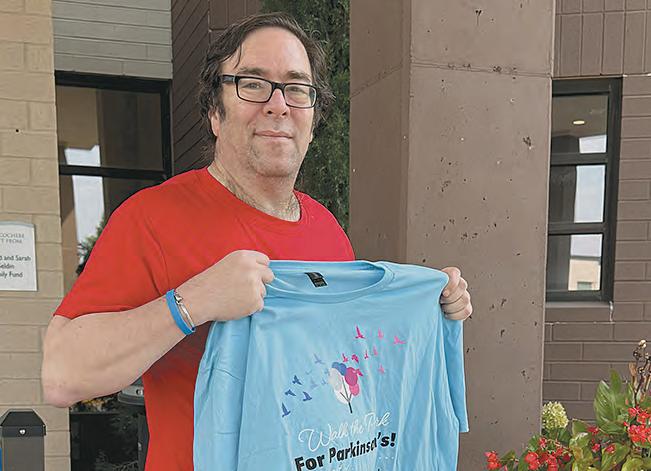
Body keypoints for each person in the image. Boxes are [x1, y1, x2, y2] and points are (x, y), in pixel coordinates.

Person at [41, 12, 473, 470]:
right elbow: (61, 377)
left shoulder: (327, 230)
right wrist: (191, 303)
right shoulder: (152, 219)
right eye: (253, 84)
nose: (278, 104)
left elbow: (344, 367)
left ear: (313, 119)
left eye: (296, 88)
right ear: (214, 112)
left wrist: (432, 305)